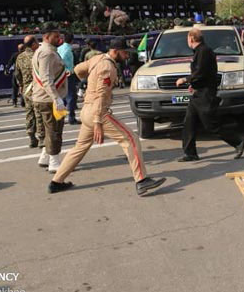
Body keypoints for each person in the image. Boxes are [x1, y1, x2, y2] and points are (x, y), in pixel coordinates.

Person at [49, 39, 166, 195]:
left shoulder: (98, 58)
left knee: (79, 147)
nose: (126, 57)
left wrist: (88, 79)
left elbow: (78, 69)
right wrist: (98, 121)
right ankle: (142, 180)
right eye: (125, 53)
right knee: (131, 139)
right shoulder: (108, 67)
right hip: (97, 112)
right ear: (116, 51)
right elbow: (101, 96)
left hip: (86, 110)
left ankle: (56, 181)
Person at [175, 28, 244, 162]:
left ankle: (238, 142)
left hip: (206, 94)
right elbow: (202, 74)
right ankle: (190, 153)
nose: (187, 41)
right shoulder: (199, 51)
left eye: (187, 38)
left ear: (191, 38)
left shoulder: (204, 51)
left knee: (211, 125)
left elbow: (201, 71)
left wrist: (186, 79)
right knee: (189, 123)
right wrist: (194, 84)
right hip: (198, 93)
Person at [32, 24, 68, 172]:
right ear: (46, 36)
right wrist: (56, 98)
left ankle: (45, 156)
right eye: (55, 35)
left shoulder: (43, 51)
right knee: (54, 130)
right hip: (48, 99)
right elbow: (46, 79)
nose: (58, 38)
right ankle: (54, 161)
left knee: (48, 129)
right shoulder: (47, 53)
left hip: (43, 97)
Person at [14, 35, 45, 149]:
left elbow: (17, 74)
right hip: (38, 87)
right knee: (39, 113)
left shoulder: (20, 57)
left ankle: (31, 136)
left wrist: (21, 85)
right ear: (33, 43)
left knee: (29, 112)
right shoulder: (38, 55)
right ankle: (41, 138)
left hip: (27, 89)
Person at [58, 32, 79, 125]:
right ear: (72, 40)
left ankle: (60, 117)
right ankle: (71, 118)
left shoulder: (59, 48)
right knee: (71, 96)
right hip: (68, 74)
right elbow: (62, 60)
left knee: (62, 96)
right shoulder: (68, 50)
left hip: (60, 75)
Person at [5, 43, 24, 107]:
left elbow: (9, 63)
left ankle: (15, 102)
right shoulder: (24, 55)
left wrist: (7, 69)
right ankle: (21, 102)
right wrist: (7, 69)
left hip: (17, 73)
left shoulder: (15, 55)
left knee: (15, 88)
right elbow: (10, 63)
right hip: (22, 73)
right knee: (21, 88)